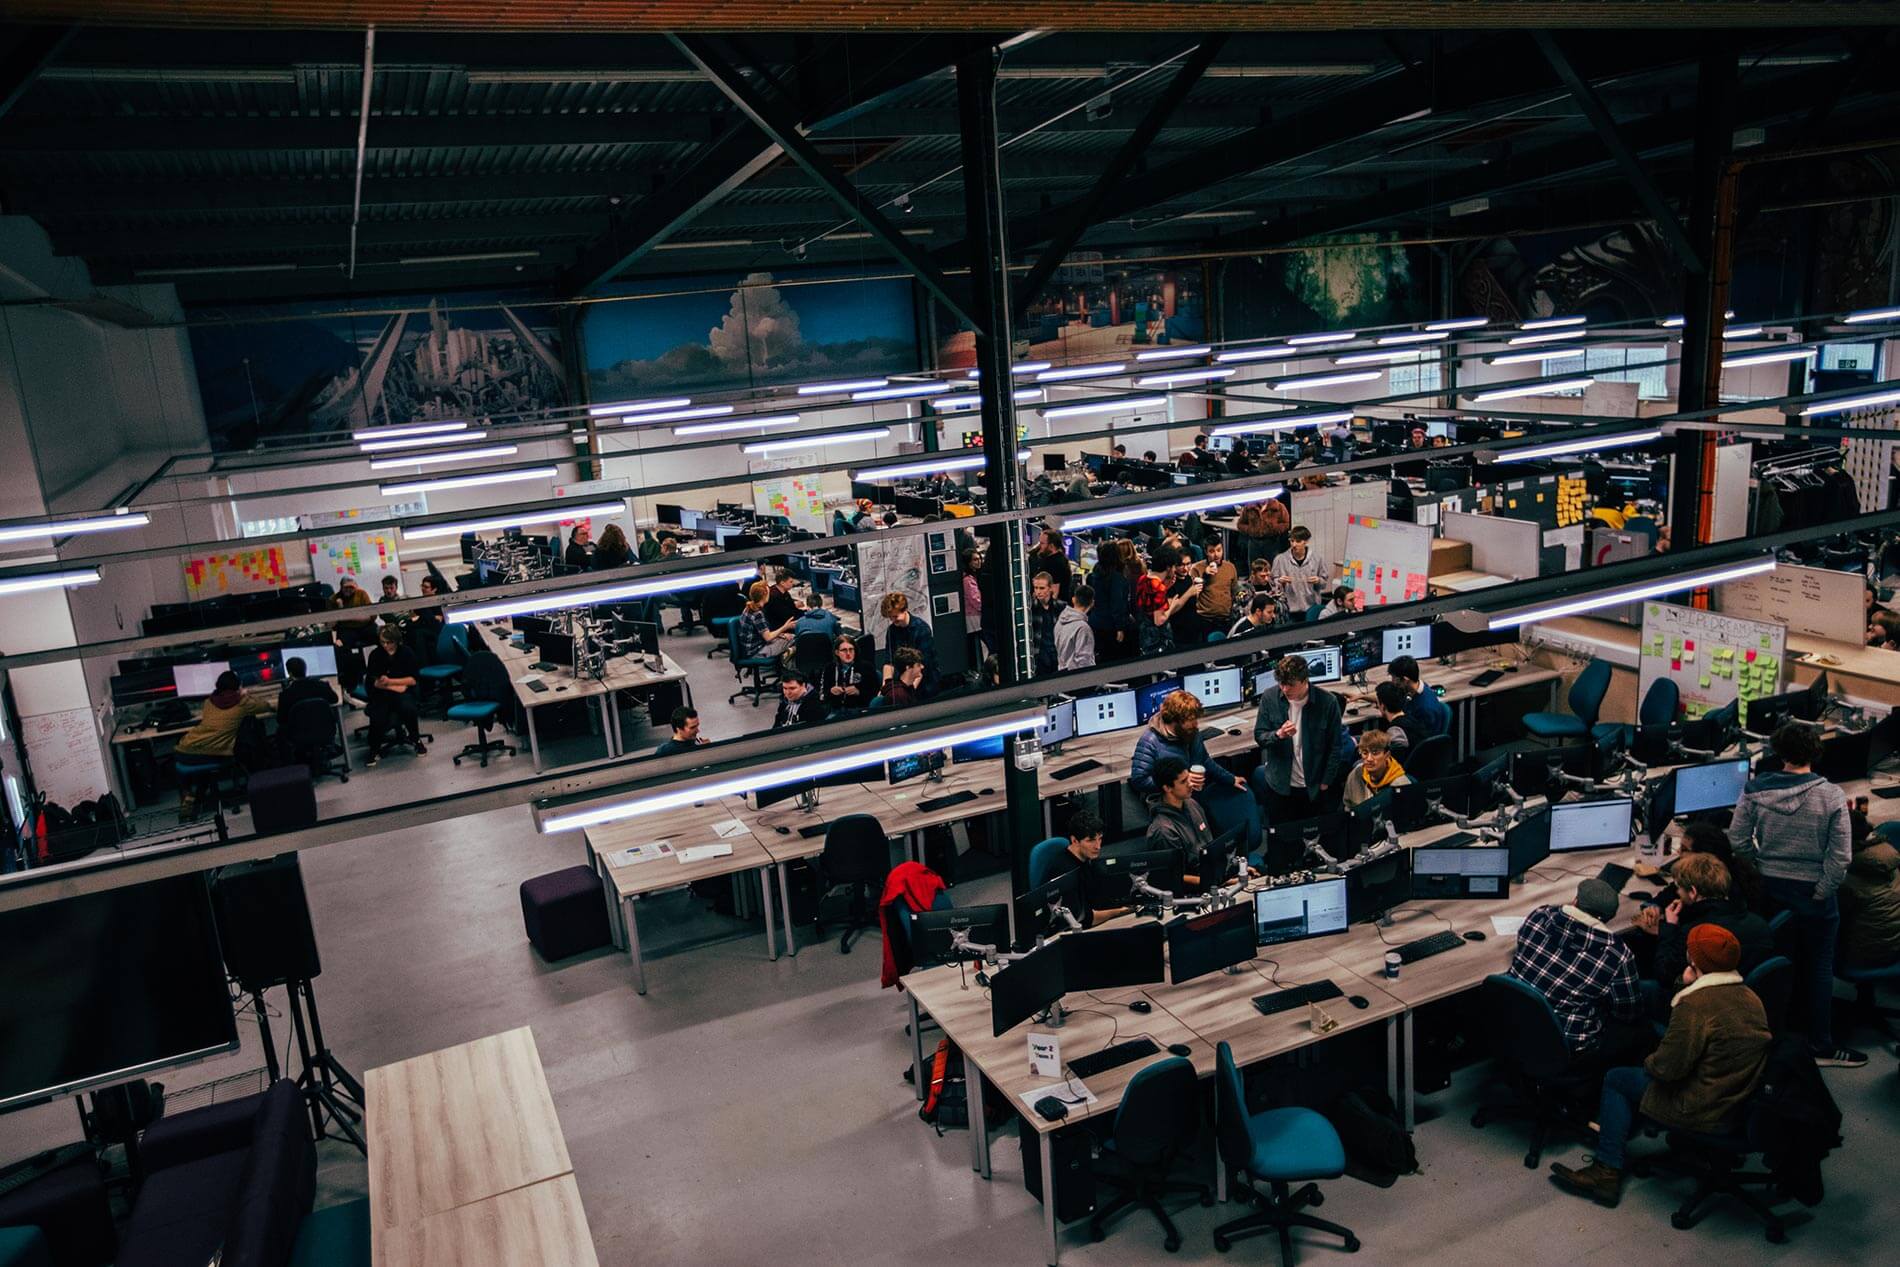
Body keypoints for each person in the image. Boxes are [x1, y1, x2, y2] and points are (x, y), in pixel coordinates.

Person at [1549, 924, 1771, 1207]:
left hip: (1702, 1107)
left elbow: (1666, 1070)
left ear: (1695, 961)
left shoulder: (1695, 1006)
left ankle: (1606, 1170)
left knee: (1618, 1078)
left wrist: (1648, 1057)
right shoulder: (1750, 997)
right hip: (1738, 1099)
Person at [1728, 722, 1864, 1066]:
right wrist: (1823, 890)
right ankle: (1821, 1045)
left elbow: (1738, 841)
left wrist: (1759, 871)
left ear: (1779, 753)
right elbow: (1841, 856)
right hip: (1814, 894)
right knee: (1819, 968)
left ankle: (1772, 1041)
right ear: (1814, 754)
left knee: (1776, 968)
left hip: (1771, 892)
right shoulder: (1831, 795)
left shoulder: (1754, 791)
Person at [1507, 880, 1645, 1062]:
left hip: (1515, 1021)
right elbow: (1628, 1012)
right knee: (1641, 1030)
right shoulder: (1617, 955)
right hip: (1568, 1044)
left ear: (1575, 902)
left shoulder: (1539, 916)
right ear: (1609, 919)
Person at [1132, 691, 1260, 852]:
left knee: (1201, 837)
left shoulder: (1190, 733)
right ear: (1175, 720)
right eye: (1190, 720)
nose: (1196, 724)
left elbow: (1204, 760)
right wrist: (1174, 781)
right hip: (1167, 801)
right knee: (1182, 842)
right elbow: (1139, 780)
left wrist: (1229, 778)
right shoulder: (1150, 742)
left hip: (1191, 797)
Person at [1649, 853, 1775, 993]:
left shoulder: (1695, 935)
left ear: (1693, 892)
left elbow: (1664, 974)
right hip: (1744, 999)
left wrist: (1669, 927)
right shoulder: (1757, 922)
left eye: (1678, 888)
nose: (1677, 892)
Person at [1251, 653, 1350, 821]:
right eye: (1281, 684)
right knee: (1283, 839)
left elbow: (1335, 747)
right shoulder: (1269, 698)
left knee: (1314, 838)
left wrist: (1326, 781)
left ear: (1305, 681)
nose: (1285, 689)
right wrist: (1278, 734)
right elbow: (1260, 736)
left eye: (1290, 684)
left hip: (1314, 787)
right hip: (1280, 786)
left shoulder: (1328, 702)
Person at [1039, 810, 1130, 927]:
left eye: (1100, 838)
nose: (1098, 846)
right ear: (1074, 840)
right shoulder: (1065, 873)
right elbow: (1084, 919)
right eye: (1091, 840)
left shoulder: (1085, 859)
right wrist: (1121, 912)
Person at [362, 624, 424, 766]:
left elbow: (413, 680)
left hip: (403, 693)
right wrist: (397, 686)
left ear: (396, 641)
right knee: (378, 715)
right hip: (382, 694)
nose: (386, 645)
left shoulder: (406, 653)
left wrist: (389, 682)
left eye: (389, 642)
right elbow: (375, 683)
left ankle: (416, 740)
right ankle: (374, 748)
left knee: (408, 709)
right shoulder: (376, 655)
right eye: (383, 642)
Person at [176, 670, 274, 759]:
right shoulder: (242, 702)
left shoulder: (209, 701)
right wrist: (245, 695)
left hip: (184, 747)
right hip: (208, 752)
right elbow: (265, 706)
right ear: (238, 686)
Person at [1839, 826, 1900, 969]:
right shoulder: (1889, 858)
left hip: (1867, 955)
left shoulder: (1852, 876)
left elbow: (1837, 913)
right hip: (1896, 947)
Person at [1143, 758, 1208, 886]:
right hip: (1195, 890)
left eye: (1188, 778)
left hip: (1210, 873)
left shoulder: (1192, 804)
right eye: (1183, 781)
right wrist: (1216, 881)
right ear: (1167, 788)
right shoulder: (1163, 831)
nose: (1190, 784)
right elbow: (1173, 877)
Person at [1135, 544, 1199, 656]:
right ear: (1168, 568)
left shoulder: (1143, 578)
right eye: (1174, 566)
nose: (1175, 570)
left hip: (1144, 636)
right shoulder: (1158, 587)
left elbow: (1148, 602)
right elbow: (1159, 620)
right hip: (1158, 641)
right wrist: (1173, 605)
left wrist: (1167, 587)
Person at [1088, 539, 1138, 663]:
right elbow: (1117, 604)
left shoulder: (1093, 575)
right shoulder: (1117, 578)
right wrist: (1120, 628)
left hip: (1096, 623)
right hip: (1112, 626)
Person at [879, 592, 936, 693]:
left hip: (924, 683)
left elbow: (922, 665)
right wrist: (885, 688)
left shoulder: (922, 629)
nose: (893, 621)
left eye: (895, 617)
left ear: (905, 610)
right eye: (890, 618)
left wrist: (908, 692)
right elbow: (889, 661)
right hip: (903, 680)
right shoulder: (892, 630)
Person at [1271, 524, 1331, 620]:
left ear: (1306, 542)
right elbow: (1273, 585)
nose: (1294, 545)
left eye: (1298, 541)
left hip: (1311, 608)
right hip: (1289, 609)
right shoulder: (1280, 559)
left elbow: (1324, 584)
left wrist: (1318, 581)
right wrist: (1279, 581)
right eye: (1292, 541)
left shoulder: (1317, 559)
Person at [1386, 654, 1450, 739]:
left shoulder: (1425, 709)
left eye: (1394, 678)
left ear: (1405, 680)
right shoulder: (1418, 688)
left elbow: (1420, 741)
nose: (1393, 682)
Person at [1342, 729, 1409, 809]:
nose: (1369, 759)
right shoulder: (1356, 774)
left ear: (1387, 755)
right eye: (1365, 753)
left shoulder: (1401, 784)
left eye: (1375, 753)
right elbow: (1348, 806)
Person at [1189, 538, 1238, 639]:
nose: (1216, 554)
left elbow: (1234, 591)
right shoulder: (1196, 568)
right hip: (1205, 620)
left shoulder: (1230, 567)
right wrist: (1205, 575)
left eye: (1219, 550)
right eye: (1212, 551)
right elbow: (1193, 593)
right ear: (1206, 552)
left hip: (1226, 619)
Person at [738, 580, 795, 661]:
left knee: (787, 637)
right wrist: (785, 627)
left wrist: (781, 634)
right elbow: (768, 637)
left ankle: (784, 661)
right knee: (794, 639)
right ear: (764, 595)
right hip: (756, 651)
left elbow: (762, 632)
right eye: (768, 592)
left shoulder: (749, 607)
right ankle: (788, 665)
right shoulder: (757, 614)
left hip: (750, 648)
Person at [275, 655, 336, 720]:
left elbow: (281, 719)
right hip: (325, 727)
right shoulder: (322, 685)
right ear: (305, 669)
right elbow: (335, 699)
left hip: (300, 729)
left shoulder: (285, 695)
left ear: (290, 673)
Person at [822, 637, 869, 711]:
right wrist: (831, 691)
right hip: (835, 710)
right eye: (844, 650)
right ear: (837, 652)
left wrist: (858, 692)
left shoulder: (866, 667)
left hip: (860, 708)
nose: (848, 653)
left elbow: (874, 692)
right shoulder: (829, 668)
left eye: (851, 649)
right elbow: (822, 695)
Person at [1055, 584, 1095, 671]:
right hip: (1078, 679)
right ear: (1092, 603)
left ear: (1073, 599)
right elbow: (1084, 661)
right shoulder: (1083, 628)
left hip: (1062, 674)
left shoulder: (1060, 622)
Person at [329, 575, 377, 646]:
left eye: (351, 587)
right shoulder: (334, 598)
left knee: (382, 636)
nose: (348, 589)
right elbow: (331, 623)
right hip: (347, 629)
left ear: (356, 587)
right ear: (341, 587)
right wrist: (339, 609)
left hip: (365, 626)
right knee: (339, 645)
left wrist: (346, 616)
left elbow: (372, 615)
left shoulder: (362, 594)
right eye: (346, 587)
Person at [1029, 571, 1060, 676]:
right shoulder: (1030, 608)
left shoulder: (1060, 607)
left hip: (1057, 654)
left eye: (1042, 588)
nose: (1038, 592)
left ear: (1050, 588)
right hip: (1039, 656)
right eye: (1036, 588)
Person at [960, 549, 986, 664]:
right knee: (978, 644)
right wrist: (985, 608)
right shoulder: (967, 580)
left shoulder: (974, 577)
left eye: (979, 558)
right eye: (975, 559)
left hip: (975, 615)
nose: (978, 561)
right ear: (968, 562)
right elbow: (975, 600)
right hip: (973, 616)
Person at [1372, 681, 1413, 755]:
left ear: (1383, 706)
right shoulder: (1413, 720)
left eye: (1377, 703)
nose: (1377, 706)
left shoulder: (1395, 731)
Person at [1032, 528, 1072, 600]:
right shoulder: (1054, 560)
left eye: (1042, 543)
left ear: (1051, 546)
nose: (1040, 547)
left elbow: (1055, 591)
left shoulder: (1056, 563)